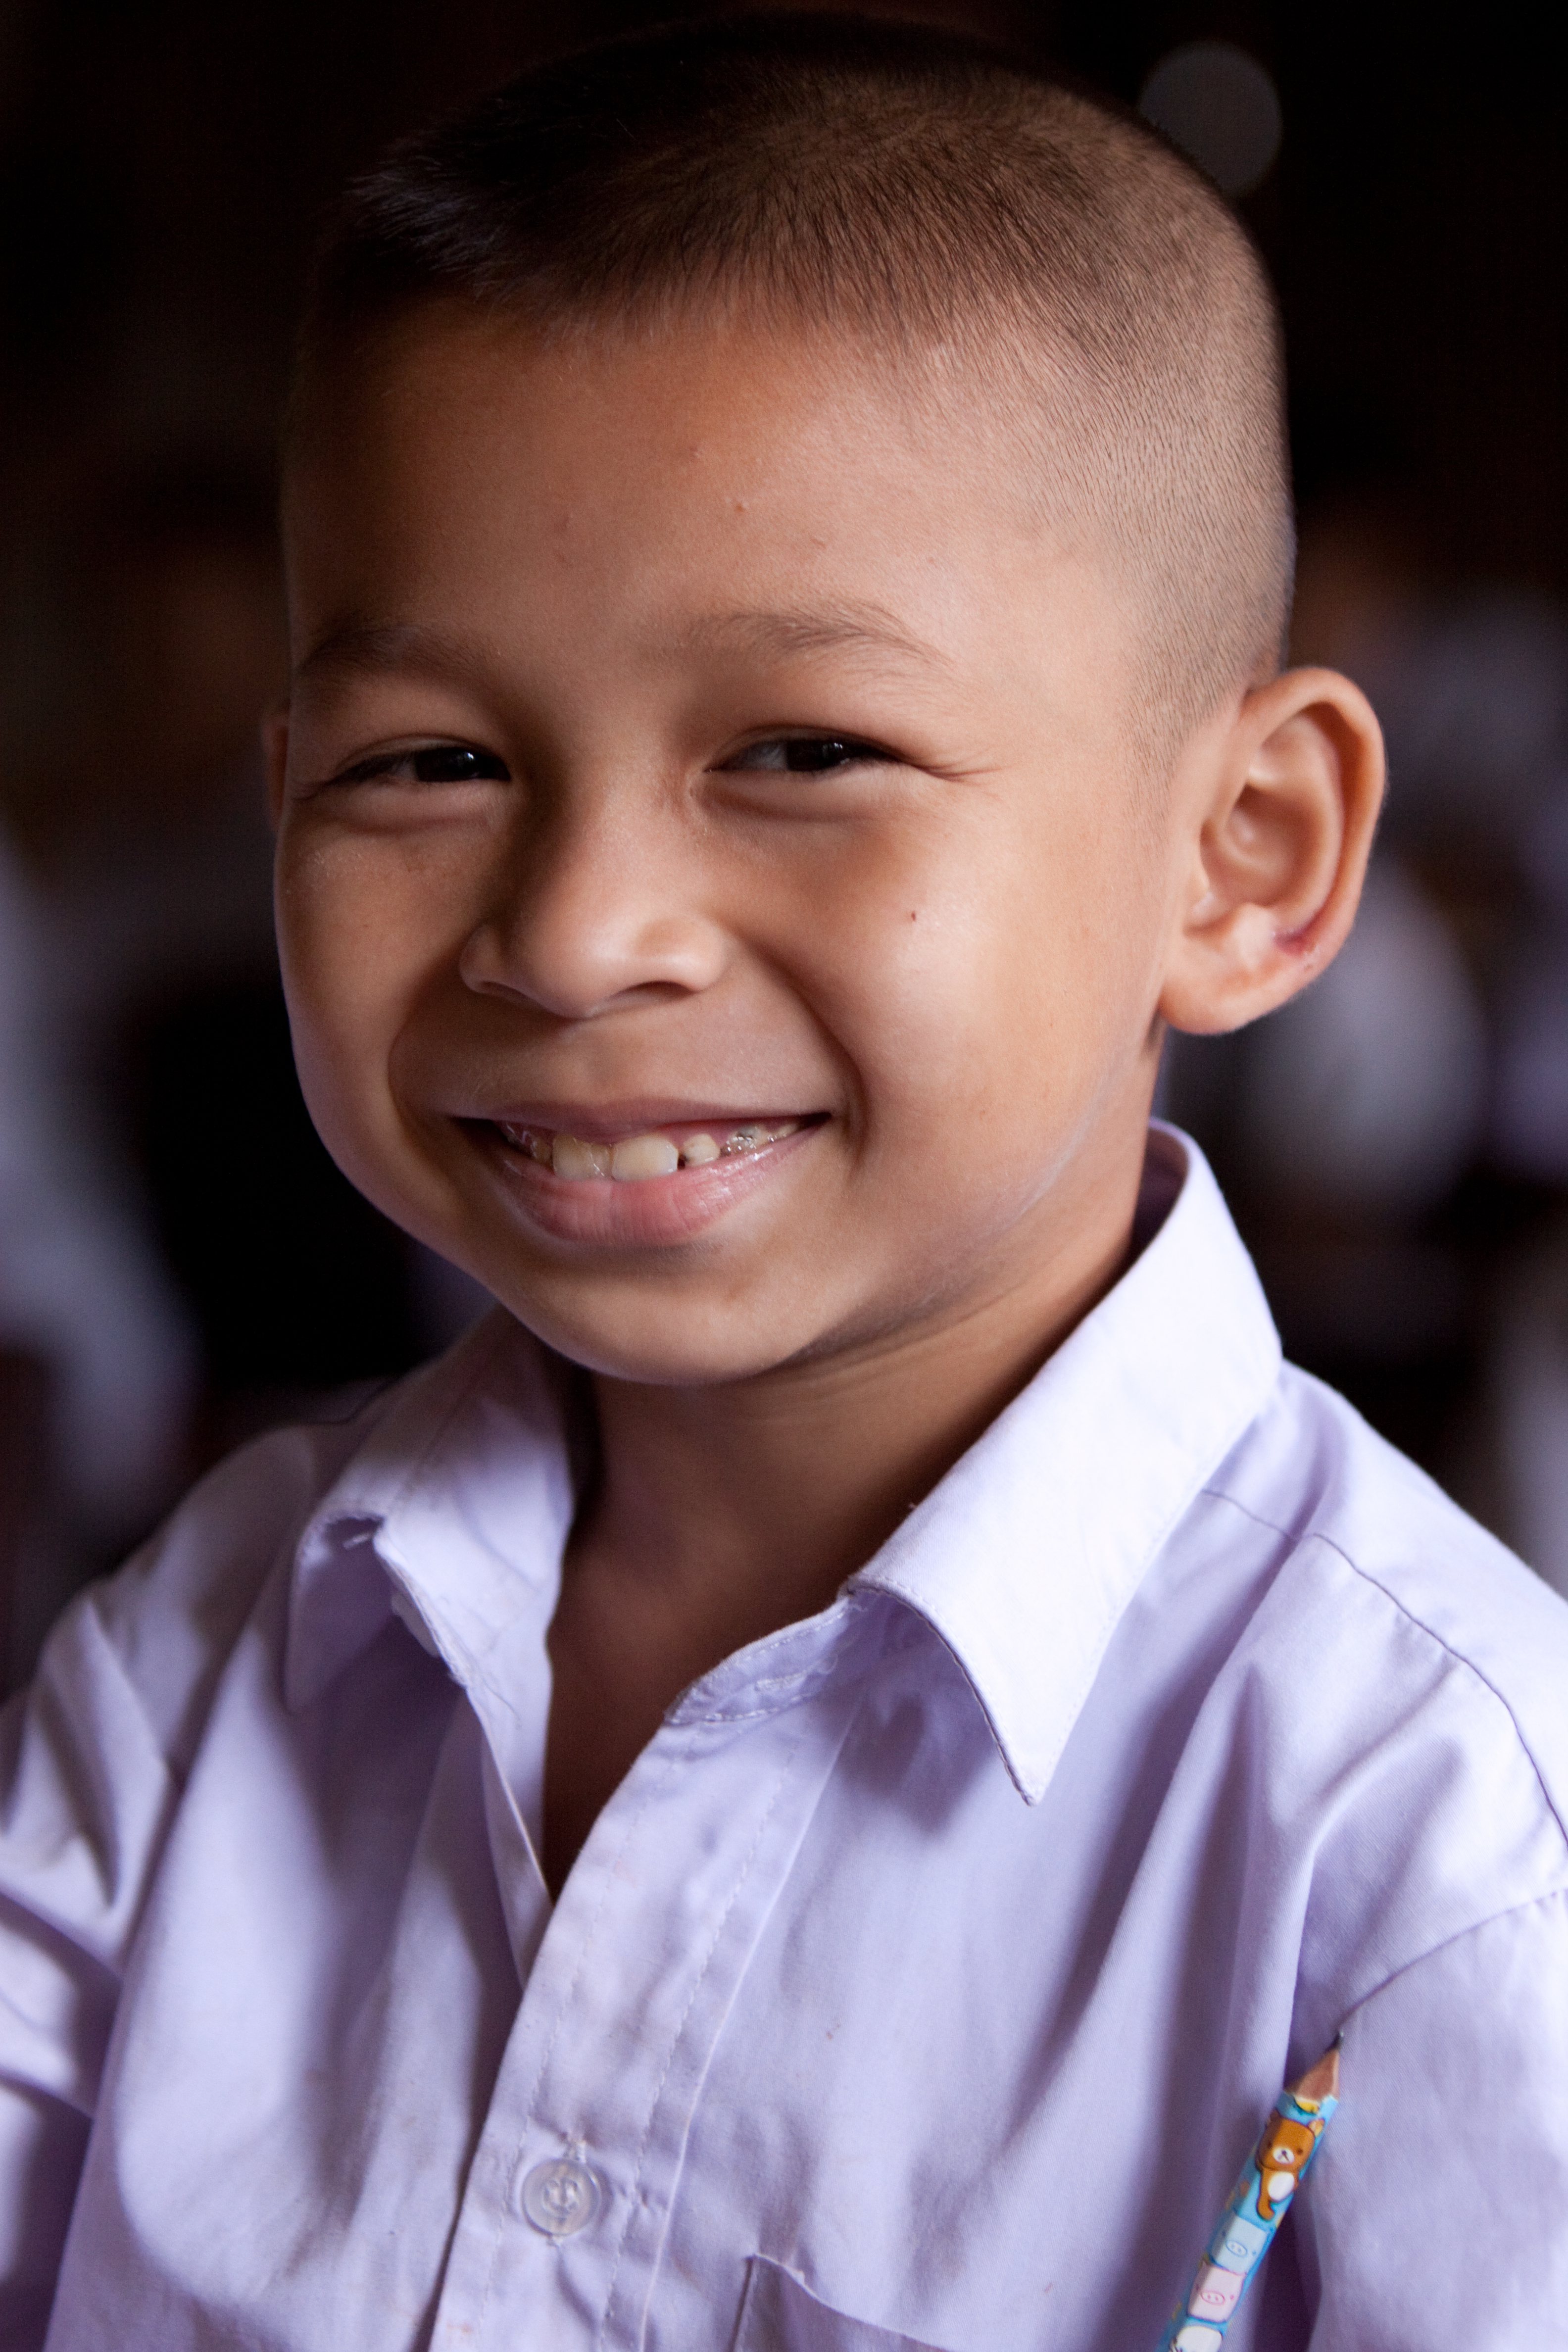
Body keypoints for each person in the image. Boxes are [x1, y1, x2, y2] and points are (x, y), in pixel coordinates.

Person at [2, 18, 1565, 2348]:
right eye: (429, 761)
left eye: (805, 751)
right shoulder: (205, 1659)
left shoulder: (1432, 1851)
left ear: (1240, 860)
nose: (573, 930)